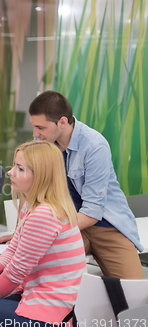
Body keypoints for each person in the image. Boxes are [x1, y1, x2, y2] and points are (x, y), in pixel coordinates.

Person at [0, 141, 86, 327]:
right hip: (36, 300)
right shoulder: (34, 205)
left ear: (41, 175)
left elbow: (15, 273)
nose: (10, 172)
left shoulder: (44, 214)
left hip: (50, 318)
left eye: (20, 168)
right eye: (14, 165)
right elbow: (14, 247)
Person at [26, 90, 142, 279]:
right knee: (40, 273)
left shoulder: (94, 146)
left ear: (62, 122)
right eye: (34, 127)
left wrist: (49, 230)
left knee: (135, 295)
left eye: (40, 128)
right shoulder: (42, 144)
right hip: (69, 224)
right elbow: (33, 192)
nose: (35, 134)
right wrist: (25, 231)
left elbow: (93, 212)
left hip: (106, 226)